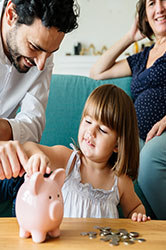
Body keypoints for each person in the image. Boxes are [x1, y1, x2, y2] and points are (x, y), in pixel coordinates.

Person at [1, 84, 151, 221]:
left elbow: (135, 207)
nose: (90, 132)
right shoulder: (68, 160)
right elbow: (28, 147)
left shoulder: (120, 181)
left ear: (117, 145)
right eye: (88, 121)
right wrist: (37, 155)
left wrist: (138, 215)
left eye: (102, 130)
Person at [90, 0, 166, 220]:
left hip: (160, 135)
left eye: (164, 1)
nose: (159, 8)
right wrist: (130, 37)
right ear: (144, 15)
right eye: (152, 3)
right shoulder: (143, 56)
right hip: (139, 137)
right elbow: (97, 72)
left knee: (149, 159)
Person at [0, 0, 79, 144]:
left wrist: (4, 129)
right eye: (34, 47)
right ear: (11, 15)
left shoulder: (43, 56)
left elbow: (34, 126)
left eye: (50, 53)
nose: (41, 65)